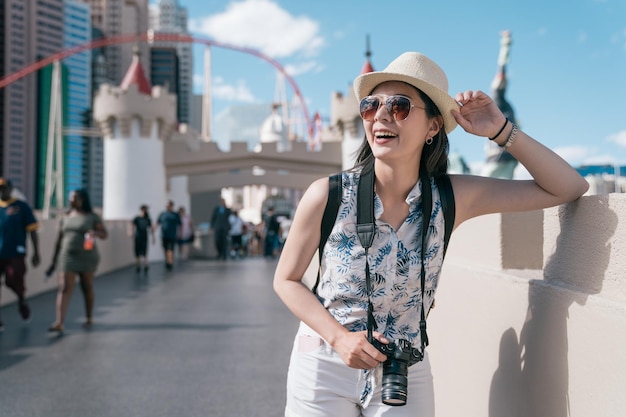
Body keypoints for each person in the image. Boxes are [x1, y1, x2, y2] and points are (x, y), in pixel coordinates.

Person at [273, 51, 589, 416]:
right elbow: (286, 280)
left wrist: (501, 131)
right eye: (370, 105)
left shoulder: (451, 198)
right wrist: (339, 338)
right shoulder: (326, 195)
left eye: (400, 105)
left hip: (403, 370)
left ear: (433, 127)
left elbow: (567, 187)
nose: (381, 115)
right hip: (324, 366)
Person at [48, 189, 108, 333]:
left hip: (86, 257)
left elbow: (104, 234)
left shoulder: (92, 217)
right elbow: (59, 239)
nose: (71, 200)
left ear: (82, 199)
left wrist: (95, 233)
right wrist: (54, 259)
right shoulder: (65, 217)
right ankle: (59, 322)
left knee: (86, 286)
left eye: (74, 198)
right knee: (64, 287)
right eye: (70, 198)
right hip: (66, 256)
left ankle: (89, 317)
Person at [0, 178, 40, 331]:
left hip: (15, 253)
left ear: (10, 188)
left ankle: (21, 301)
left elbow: (32, 230)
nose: (2, 191)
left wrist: (36, 252)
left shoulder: (21, 207)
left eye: (4, 188)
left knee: (13, 280)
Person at [129, 204, 155, 274]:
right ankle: (138, 265)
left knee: (145, 252)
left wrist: (153, 237)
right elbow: (132, 225)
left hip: (144, 237)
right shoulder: (137, 218)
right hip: (138, 236)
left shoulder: (148, 219)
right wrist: (131, 232)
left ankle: (145, 265)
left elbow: (151, 228)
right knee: (137, 252)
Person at [156, 200, 181, 271]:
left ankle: (170, 263)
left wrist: (180, 234)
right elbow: (158, 222)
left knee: (170, 250)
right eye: (166, 206)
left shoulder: (175, 215)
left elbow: (179, 225)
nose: (167, 207)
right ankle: (167, 261)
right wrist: (154, 228)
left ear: (172, 206)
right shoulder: (162, 214)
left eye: (169, 205)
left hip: (172, 235)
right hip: (164, 235)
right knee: (165, 249)